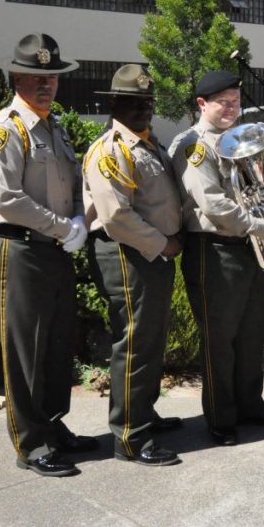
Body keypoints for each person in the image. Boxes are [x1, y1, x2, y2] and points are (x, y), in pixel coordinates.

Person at [0, 33, 94, 477]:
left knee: (55, 344)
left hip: (56, 249)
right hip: (20, 250)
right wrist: (65, 227)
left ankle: (51, 425)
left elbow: (72, 185)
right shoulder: (4, 130)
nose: (46, 85)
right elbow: (5, 198)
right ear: (16, 77)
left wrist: (80, 220)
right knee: (25, 349)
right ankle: (30, 443)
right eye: (35, 76)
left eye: (53, 77)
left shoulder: (54, 127)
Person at [169, 70, 264, 446]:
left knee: (252, 333)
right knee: (220, 339)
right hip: (214, 250)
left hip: (247, 250)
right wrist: (262, 226)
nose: (232, 108)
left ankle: (250, 405)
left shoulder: (240, 139)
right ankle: (221, 418)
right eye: (224, 102)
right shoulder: (193, 145)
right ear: (202, 104)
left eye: (236, 101)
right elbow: (214, 204)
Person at [82, 64, 183, 466]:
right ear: (114, 105)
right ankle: (129, 436)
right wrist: (163, 243)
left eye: (146, 101)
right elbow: (115, 217)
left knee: (150, 341)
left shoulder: (149, 144)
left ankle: (143, 413)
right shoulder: (111, 151)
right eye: (131, 102)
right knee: (136, 343)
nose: (142, 109)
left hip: (153, 255)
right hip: (127, 253)